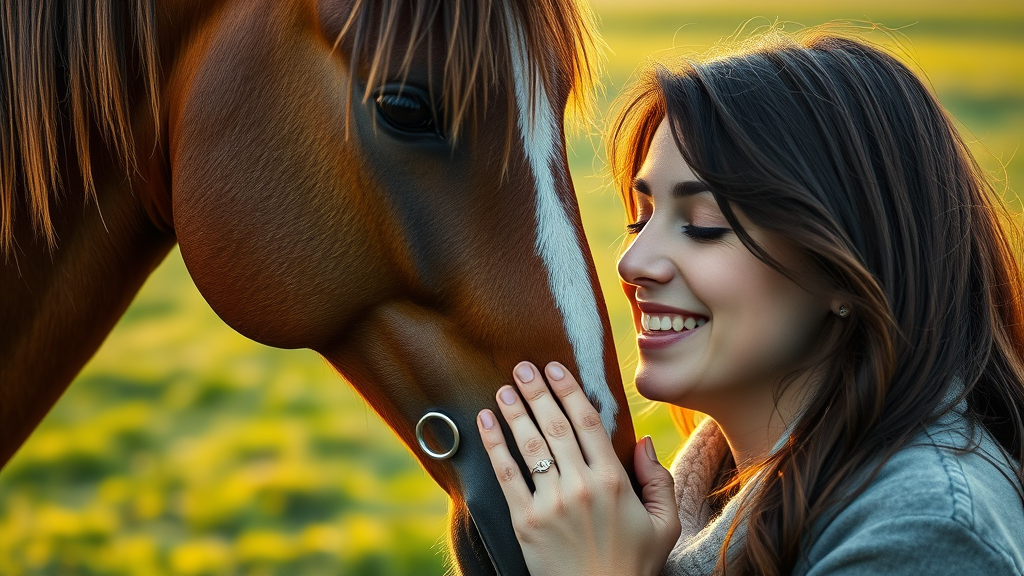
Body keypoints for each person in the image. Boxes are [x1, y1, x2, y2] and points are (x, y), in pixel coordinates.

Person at [476, 27, 1024, 576]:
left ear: (847, 266)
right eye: (638, 220)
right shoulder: (705, 506)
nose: (632, 264)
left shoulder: (925, 531)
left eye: (704, 226)